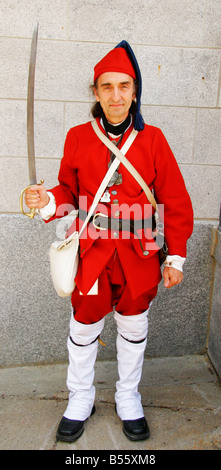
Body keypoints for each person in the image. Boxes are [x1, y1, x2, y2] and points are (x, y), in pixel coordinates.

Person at [24, 41, 193, 442]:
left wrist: (177, 256)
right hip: (93, 252)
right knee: (84, 327)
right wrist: (47, 200)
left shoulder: (153, 140)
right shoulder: (78, 136)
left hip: (138, 254)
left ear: (134, 92)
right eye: (106, 87)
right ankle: (80, 398)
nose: (116, 96)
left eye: (124, 86)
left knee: (134, 326)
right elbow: (67, 190)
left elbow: (176, 199)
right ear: (95, 93)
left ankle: (127, 397)